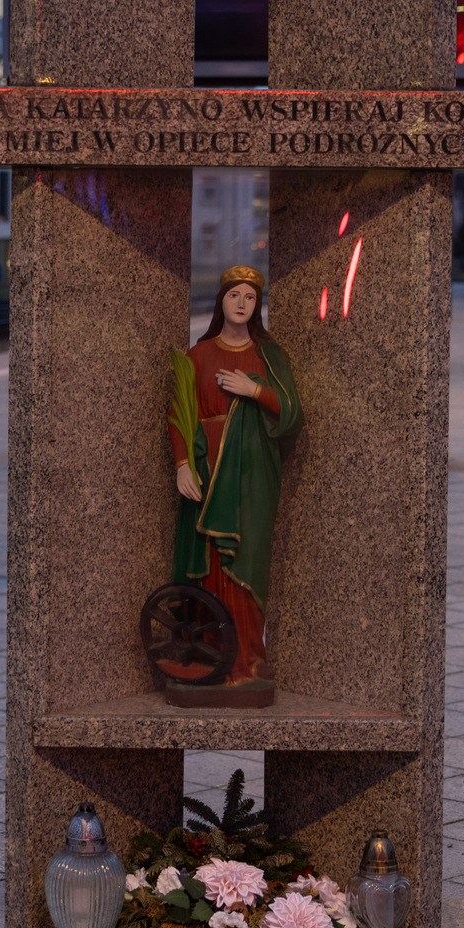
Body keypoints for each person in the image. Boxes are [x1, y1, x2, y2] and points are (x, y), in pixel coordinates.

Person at [167, 266, 302, 685]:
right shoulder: (199, 355)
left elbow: (292, 413)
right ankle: (212, 655)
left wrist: (255, 391)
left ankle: (248, 661)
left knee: (247, 559)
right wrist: (182, 465)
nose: (241, 303)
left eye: (249, 297)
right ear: (221, 301)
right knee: (209, 561)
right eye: (234, 295)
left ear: (257, 306)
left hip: (251, 475)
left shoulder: (268, 355)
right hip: (207, 470)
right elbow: (179, 415)